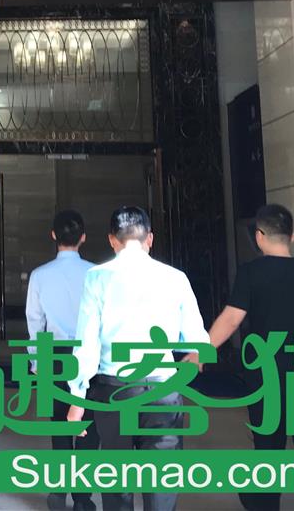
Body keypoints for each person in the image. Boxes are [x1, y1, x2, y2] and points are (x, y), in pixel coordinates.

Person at [67, 206, 208, 511]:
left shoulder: (97, 278)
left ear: (112, 240)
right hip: (162, 389)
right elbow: (197, 341)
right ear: (149, 239)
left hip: (114, 390)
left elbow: (87, 342)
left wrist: (77, 399)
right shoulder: (175, 278)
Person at [208, 204, 294, 511]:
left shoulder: (250, 273)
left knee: (269, 450)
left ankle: (262, 502)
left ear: (259, 236)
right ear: (291, 237)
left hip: (267, 379)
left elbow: (232, 318)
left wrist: (201, 352)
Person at [26, 209, 98, 511]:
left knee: (58, 423)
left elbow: (35, 320)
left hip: (53, 355)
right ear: (83, 238)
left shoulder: (40, 275)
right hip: (89, 355)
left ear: (53, 235)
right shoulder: (96, 274)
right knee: (88, 425)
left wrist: (36, 362)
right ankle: (83, 499)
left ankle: (58, 493)